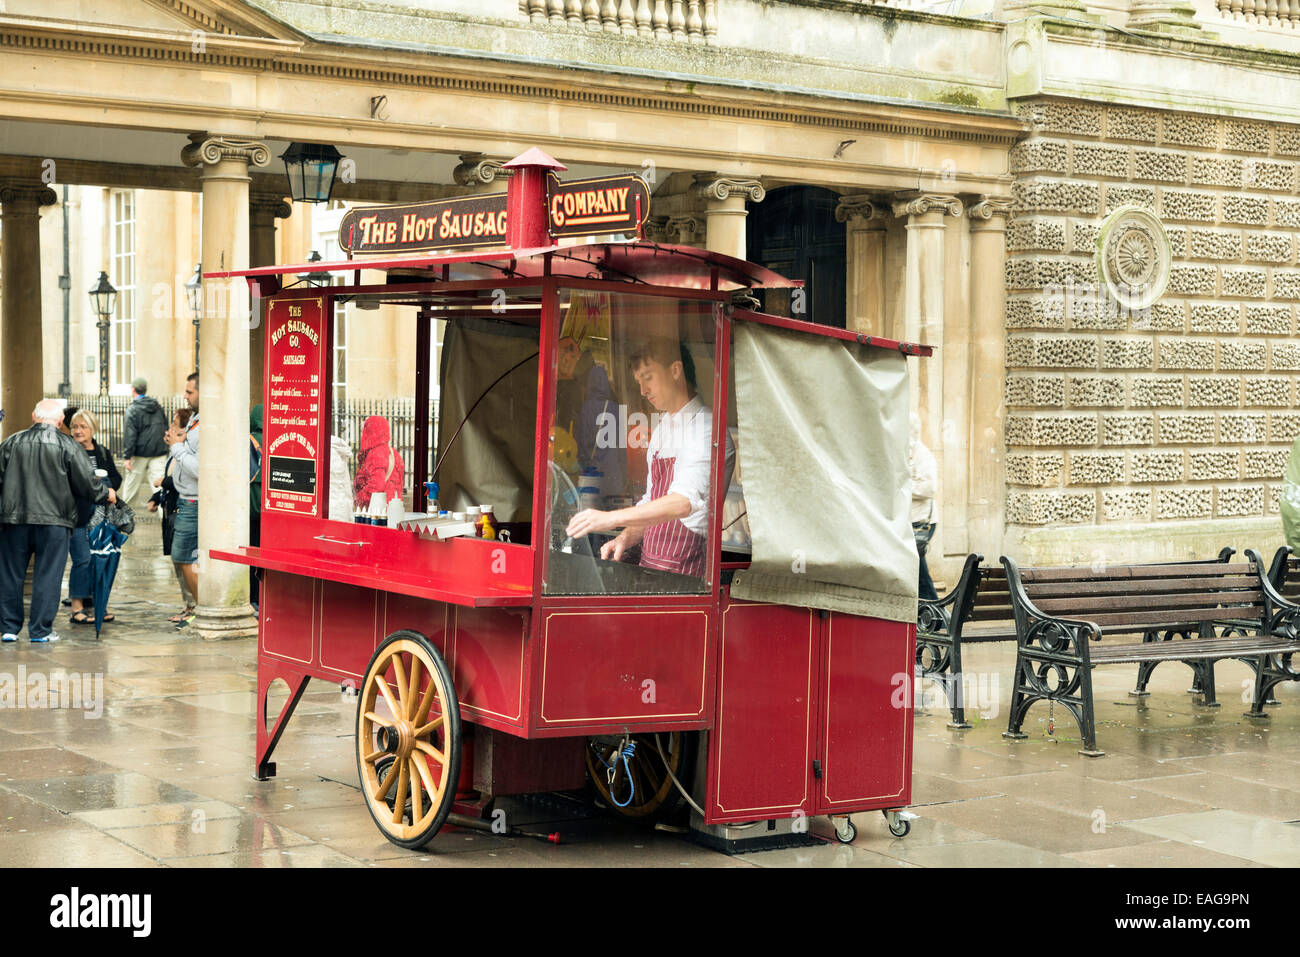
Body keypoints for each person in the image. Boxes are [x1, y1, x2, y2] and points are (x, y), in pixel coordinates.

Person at [565, 337, 733, 578]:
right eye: (638, 381)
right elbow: (652, 498)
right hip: (650, 565)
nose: (643, 391)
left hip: (686, 572)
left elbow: (682, 503)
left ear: (675, 370)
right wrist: (625, 536)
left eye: (648, 377)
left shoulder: (707, 427)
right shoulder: (664, 427)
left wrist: (609, 519)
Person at [0, 398, 114, 643]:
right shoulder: (68, 445)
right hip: (55, 522)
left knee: (10, 574)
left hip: (14, 520)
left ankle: (9, 628)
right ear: (61, 421)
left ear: (33, 416)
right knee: (48, 574)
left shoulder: (11, 442)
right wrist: (106, 494)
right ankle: (40, 630)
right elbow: (87, 484)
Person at [66, 410, 123, 625]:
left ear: (93, 429)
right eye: (75, 427)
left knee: (101, 560)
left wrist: (106, 484)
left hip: (101, 515)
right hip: (77, 514)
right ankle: (77, 607)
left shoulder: (102, 452)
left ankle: (100, 604)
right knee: (83, 560)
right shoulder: (67, 450)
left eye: (83, 427)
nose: (78, 431)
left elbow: (116, 478)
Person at [149, 407, 196, 622]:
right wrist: (156, 497)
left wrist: (163, 482)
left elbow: (186, 476)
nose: (169, 429)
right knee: (179, 561)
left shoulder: (182, 450)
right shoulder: (177, 450)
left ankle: (194, 607)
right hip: (173, 509)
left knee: (184, 559)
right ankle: (189, 606)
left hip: (184, 508)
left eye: (174, 424)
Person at [169, 373, 200, 629]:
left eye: (190, 392)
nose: (186, 396)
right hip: (187, 498)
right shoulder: (196, 421)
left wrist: (177, 448)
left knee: (183, 555)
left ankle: (201, 610)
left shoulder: (204, 426)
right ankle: (197, 608)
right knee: (184, 556)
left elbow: (200, 468)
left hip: (194, 501)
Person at [121, 377, 169, 510]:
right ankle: (165, 521)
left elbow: (130, 435)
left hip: (139, 454)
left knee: (130, 489)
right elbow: (165, 427)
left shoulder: (133, 409)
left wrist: (127, 457)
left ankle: (123, 520)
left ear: (133, 389)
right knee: (159, 488)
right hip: (159, 452)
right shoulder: (157, 406)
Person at [910, 413, 938, 601]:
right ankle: (929, 613)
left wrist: (902, 486)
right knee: (916, 569)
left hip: (921, 521)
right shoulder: (907, 452)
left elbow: (929, 488)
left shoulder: (922, 455)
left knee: (918, 569)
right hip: (909, 520)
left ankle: (935, 614)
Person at [353, 416, 404, 508]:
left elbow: (377, 485)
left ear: (370, 431)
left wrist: (358, 499)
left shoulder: (376, 453)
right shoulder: (393, 453)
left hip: (378, 511)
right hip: (392, 507)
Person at [249, 404, 263, 610]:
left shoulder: (248, 440)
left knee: (251, 554)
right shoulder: (277, 437)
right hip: (271, 508)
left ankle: (253, 597)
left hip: (251, 505)